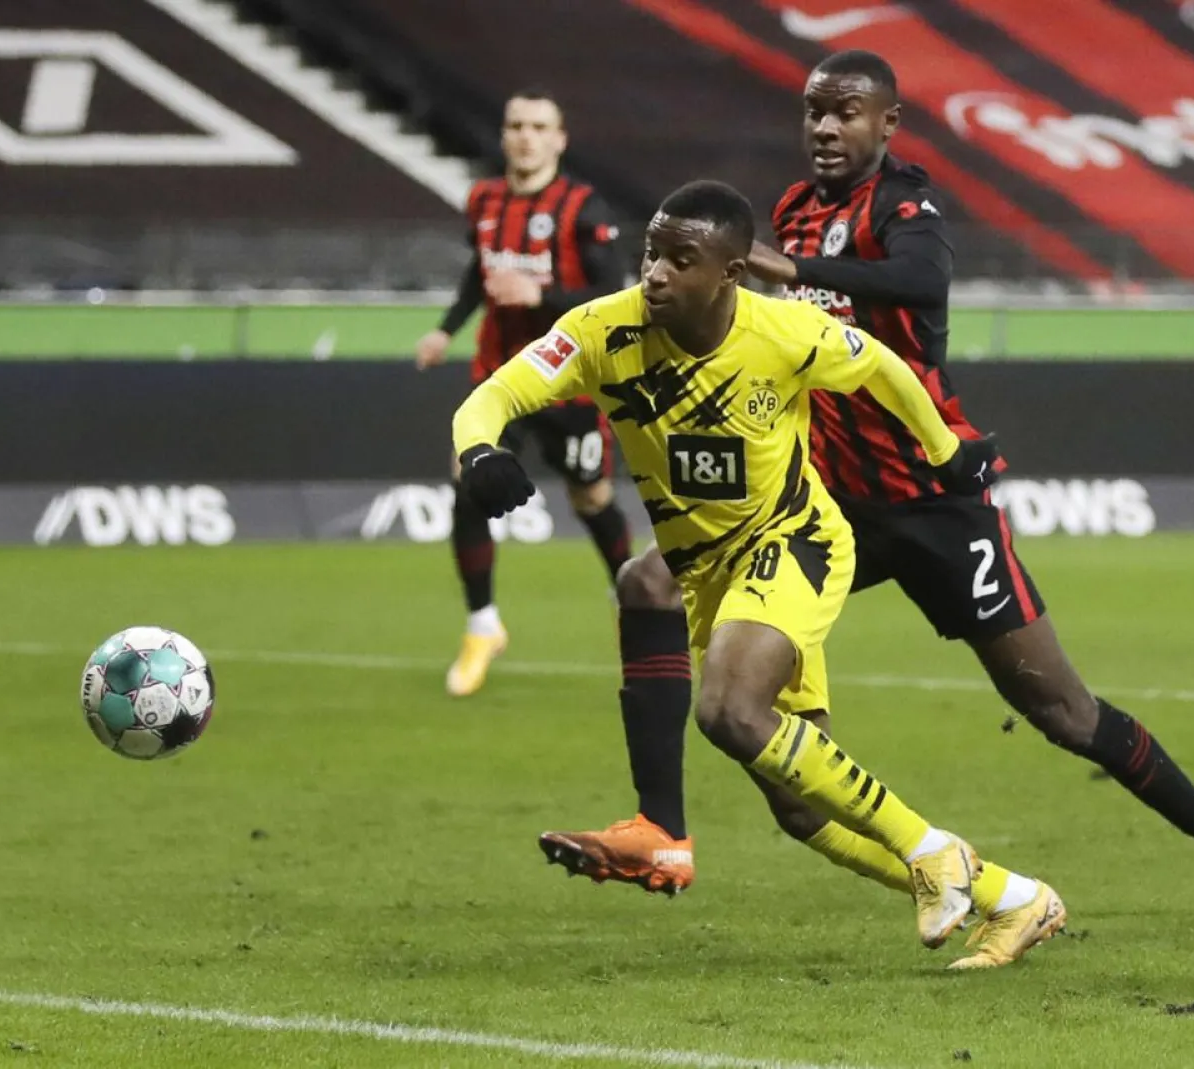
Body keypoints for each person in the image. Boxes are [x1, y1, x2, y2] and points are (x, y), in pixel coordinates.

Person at [537, 50, 1194, 923]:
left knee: (1061, 709)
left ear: (887, 124)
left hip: (937, 500)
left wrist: (797, 273)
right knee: (665, 604)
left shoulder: (907, 205)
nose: (827, 129)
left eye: (846, 113)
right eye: (814, 113)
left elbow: (923, 280)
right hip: (828, 506)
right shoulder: (791, 212)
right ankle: (683, 834)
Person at [454, 179, 1067, 970]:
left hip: (796, 540)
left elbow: (883, 366)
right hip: (706, 571)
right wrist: (481, 450)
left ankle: (931, 850)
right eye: (651, 253)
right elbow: (494, 394)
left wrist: (945, 449)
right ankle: (1015, 898)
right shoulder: (603, 330)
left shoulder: (784, 331)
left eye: (682, 260)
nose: (656, 274)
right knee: (800, 807)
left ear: (732, 273)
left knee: (728, 711)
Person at [416, 89, 631, 697]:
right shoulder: (484, 199)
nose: (526, 136)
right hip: (498, 378)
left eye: (539, 126)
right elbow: (479, 273)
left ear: (559, 139)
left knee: (591, 500)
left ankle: (629, 600)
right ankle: (482, 625)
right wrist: (444, 329)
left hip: (568, 382)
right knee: (467, 480)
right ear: (505, 135)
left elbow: (612, 295)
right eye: (516, 125)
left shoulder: (584, 208)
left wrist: (542, 298)